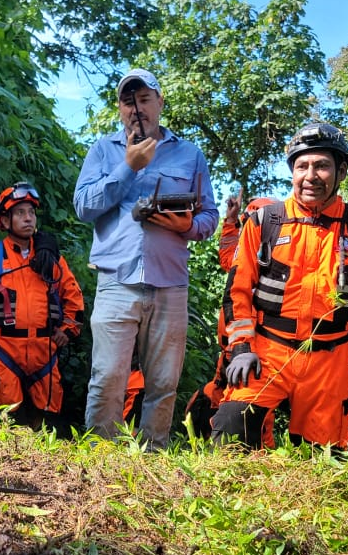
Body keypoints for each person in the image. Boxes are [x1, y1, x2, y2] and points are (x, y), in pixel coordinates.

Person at [212, 122, 348, 448]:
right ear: (292, 172)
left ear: (340, 171)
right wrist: (240, 348)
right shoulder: (264, 222)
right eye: (302, 166)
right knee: (232, 429)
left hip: (331, 361)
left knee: (321, 459)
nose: (310, 175)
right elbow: (237, 290)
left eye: (322, 166)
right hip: (268, 352)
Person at [73, 68, 218, 449]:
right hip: (117, 280)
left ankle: (154, 455)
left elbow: (209, 218)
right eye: (128, 101)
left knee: (164, 381)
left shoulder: (190, 154)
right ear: (120, 109)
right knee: (107, 377)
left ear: (159, 102)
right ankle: (101, 457)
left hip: (170, 282)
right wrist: (128, 166)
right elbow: (83, 207)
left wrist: (184, 224)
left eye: (144, 99)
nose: (136, 109)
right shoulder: (103, 150)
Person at [0, 182, 84, 430]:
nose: (28, 218)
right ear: (5, 220)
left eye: (31, 213)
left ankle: (43, 461)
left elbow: (73, 295)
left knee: (49, 414)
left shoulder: (50, 256)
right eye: (20, 213)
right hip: (6, 348)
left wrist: (68, 329)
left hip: (45, 349)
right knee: (6, 414)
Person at [185, 195, 276, 440]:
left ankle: (258, 452)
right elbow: (227, 258)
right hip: (231, 346)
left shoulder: (277, 251)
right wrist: (230, 219)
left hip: (258, 348)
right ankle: (211, 445)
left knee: (253, 403)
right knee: (216, 396)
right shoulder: (243, 249)